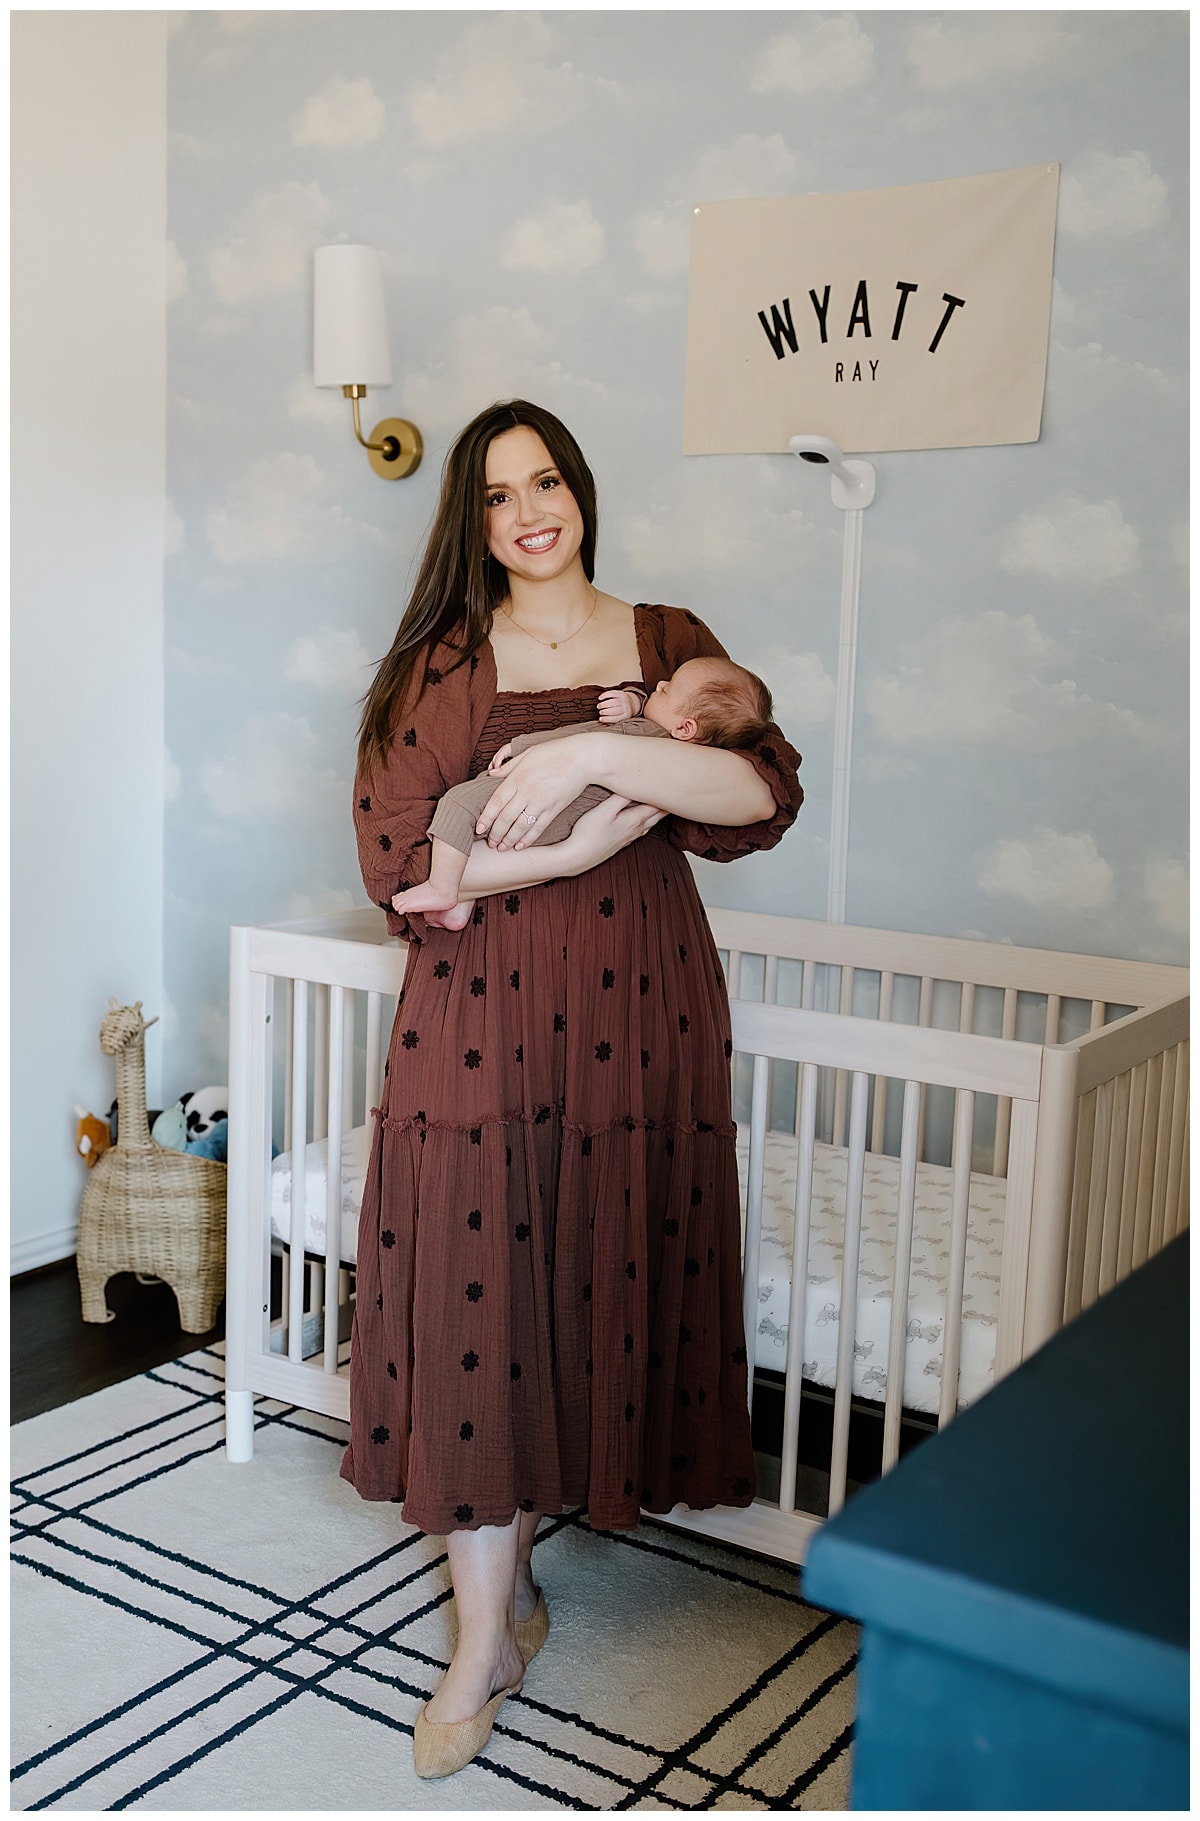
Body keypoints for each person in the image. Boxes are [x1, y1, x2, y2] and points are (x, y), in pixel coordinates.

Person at [343, 399, 803, 1778]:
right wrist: (546, 844)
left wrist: (600, 752)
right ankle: (485, 1634)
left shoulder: (667, 641)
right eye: (495, 496)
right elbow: (402, 873)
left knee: (597, 1263)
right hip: (477, 1011)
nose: (528, 510)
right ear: (469, 524)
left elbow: (753, 797)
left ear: (581, 490)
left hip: (640, 1005)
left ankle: (540, 1541)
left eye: (546, 481)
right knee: (472, 1283)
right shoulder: (442, 662)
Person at [393, 655, 775, 929]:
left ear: (687, 728)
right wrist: (636, 701)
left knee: (458, 806)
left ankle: (444, 889)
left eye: (666, 688)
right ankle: (460, 903)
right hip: (573, 829)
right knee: (494, 836)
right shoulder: (673, 750)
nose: (657, 684)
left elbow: (576, 738)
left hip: (564, 831)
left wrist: (524, 745)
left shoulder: (638, 735)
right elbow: (659, 723)